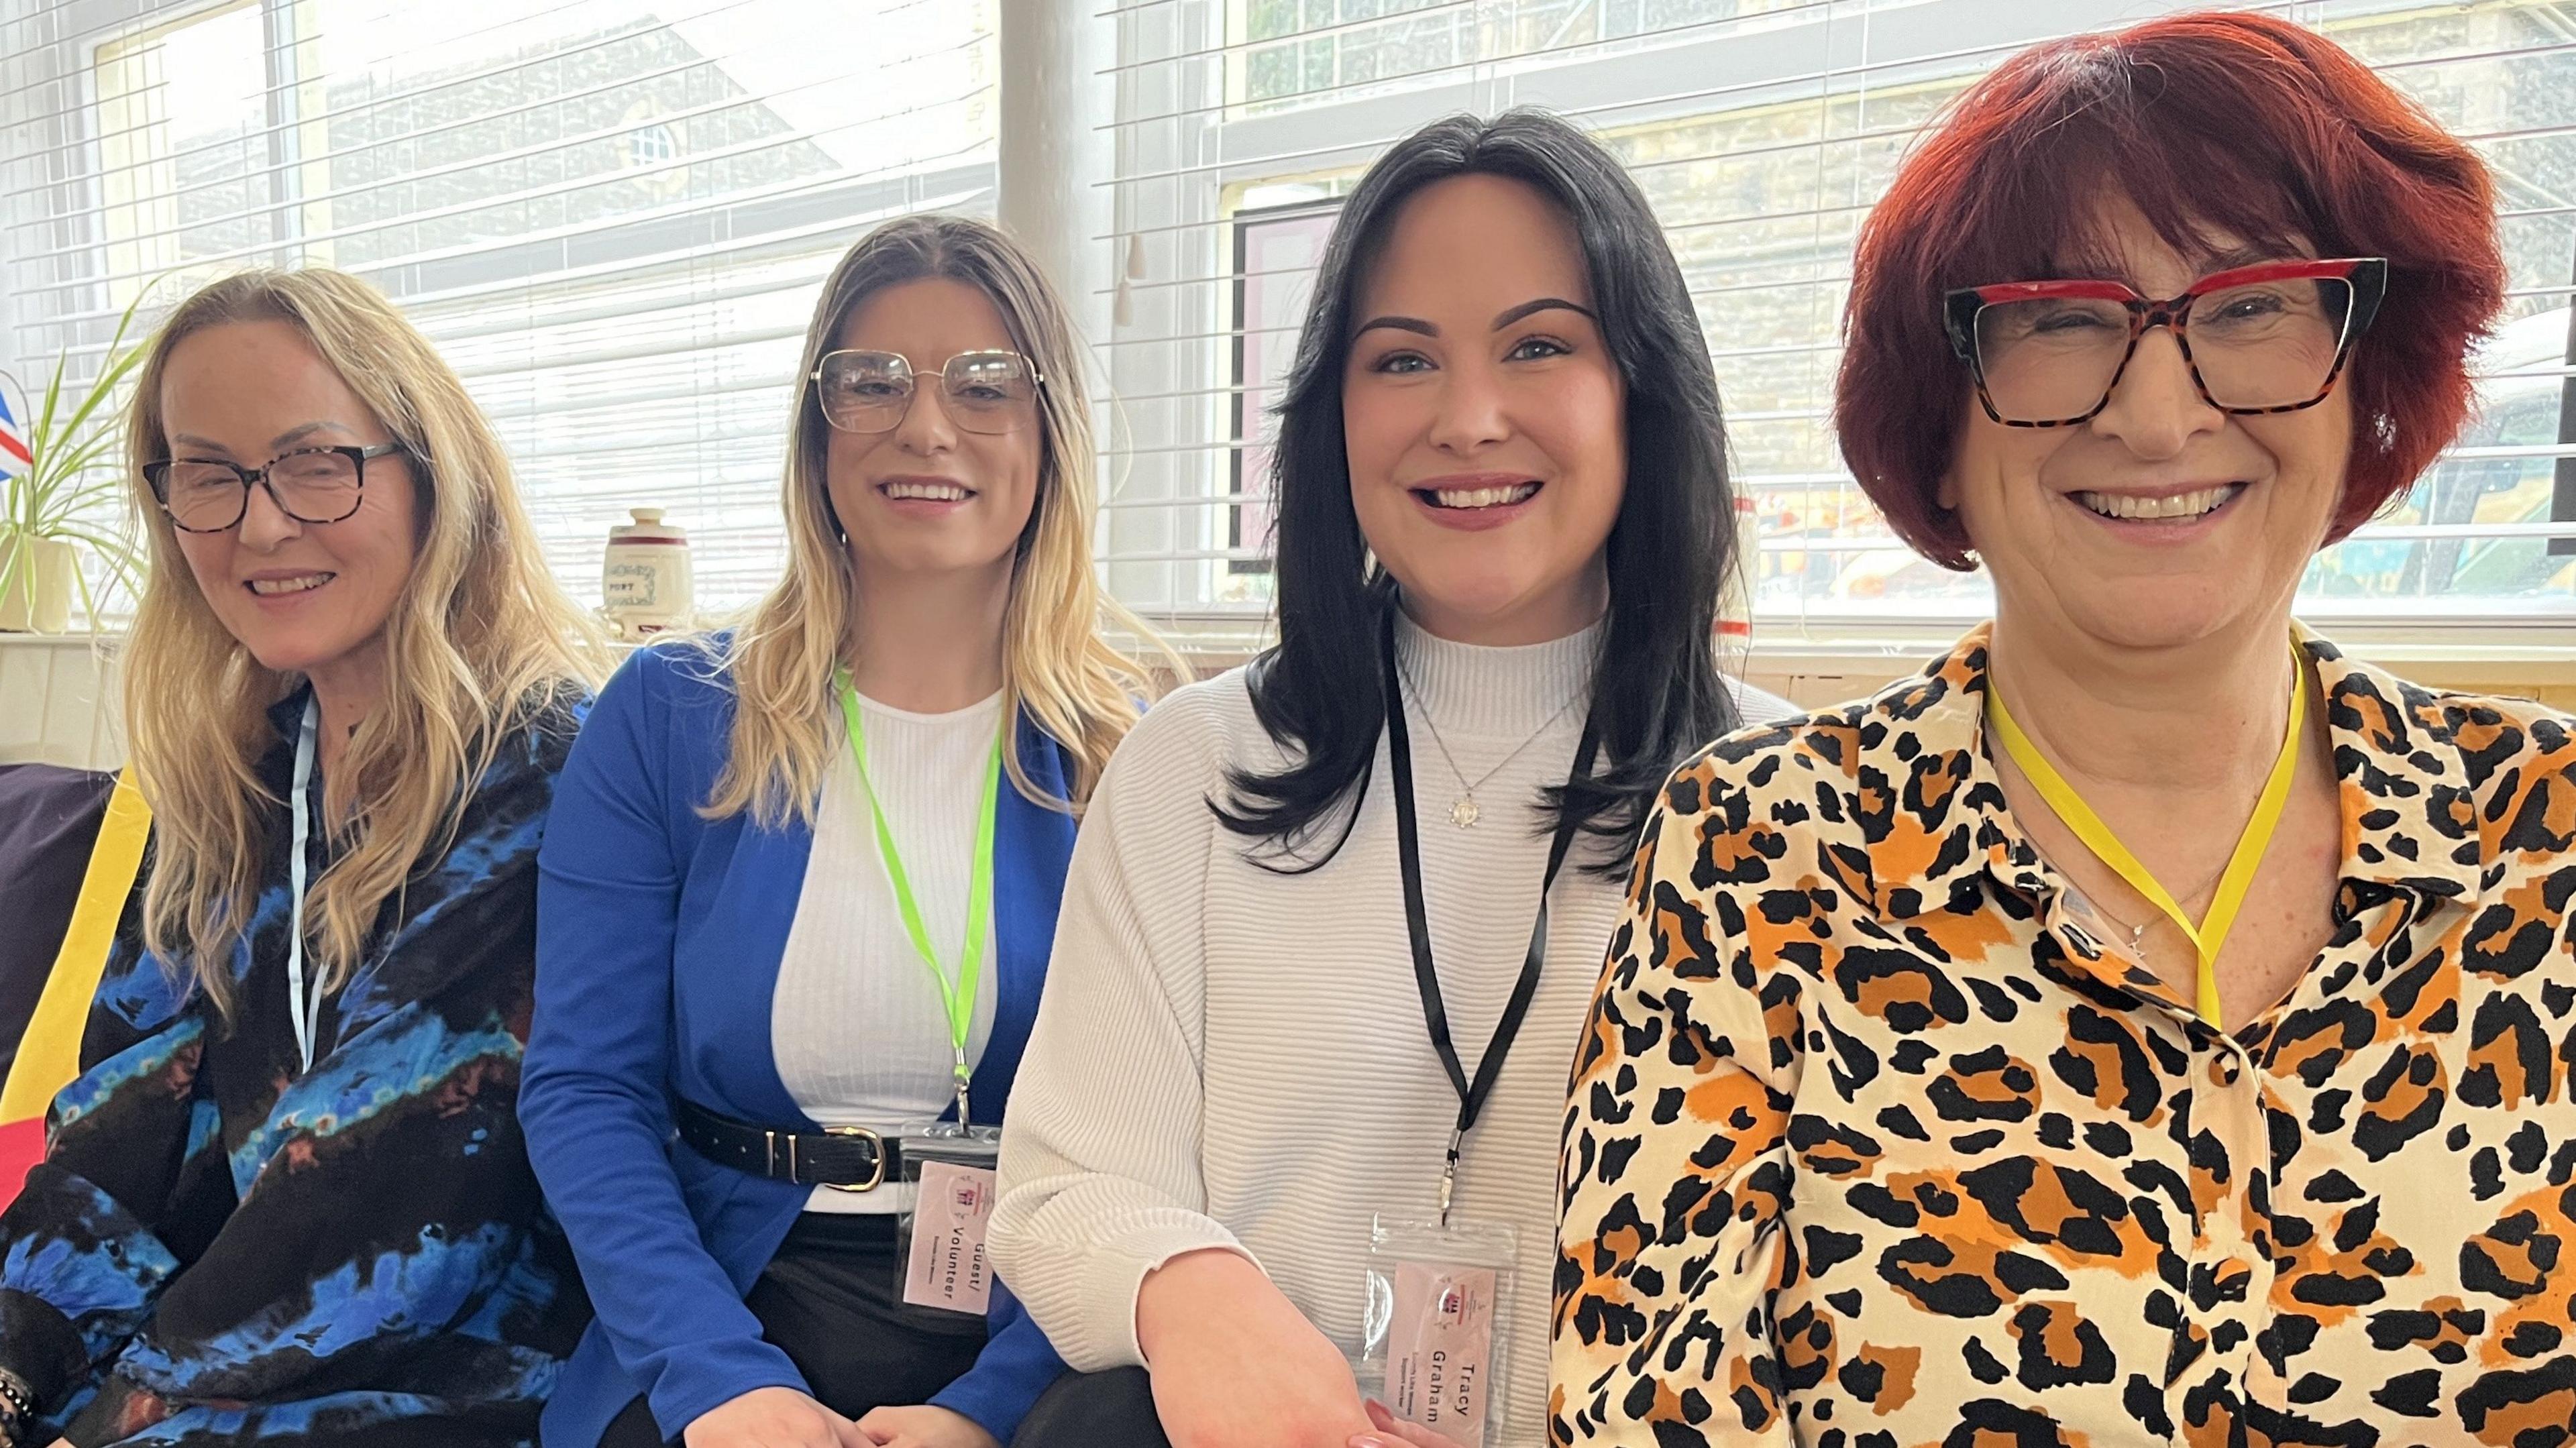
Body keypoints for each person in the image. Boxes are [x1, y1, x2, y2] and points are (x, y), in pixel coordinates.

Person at [1551, 12, 2576, 1445]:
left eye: (2252, 305)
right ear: (1942, 423)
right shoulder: (1759, 858)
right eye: (2058, 320)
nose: (2159, 417)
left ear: (2368, 374)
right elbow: (1645, 1415)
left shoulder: (2548, 832)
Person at [991, 109, 1793, 1448]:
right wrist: (1199, 1301)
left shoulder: (1782, 801)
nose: (1468, 420)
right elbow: (1067, 1183)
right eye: (1402, 358)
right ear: (1333, 412)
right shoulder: (1195, 763)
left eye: (1540, 346)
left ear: (1640, 391)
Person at [523, 215, 1166, 1448]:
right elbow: (585, 1092)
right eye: (872, 383)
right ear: (818, 433)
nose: (926, 426)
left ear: (1052, 433)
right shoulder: (666, 717)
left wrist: (986, 1409)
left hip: (1036, 1305)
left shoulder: (1142, 751)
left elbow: (1160, 1134)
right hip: (731, 1298)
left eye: (986, 384)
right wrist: (720, 1382)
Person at [0, 268, 602, 1447]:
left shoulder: (548, 770)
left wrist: (115, 1422)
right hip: (208, 1367)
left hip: (461, 1375)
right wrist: (19, 1375)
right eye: (209, 475)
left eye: (318, 462)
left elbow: (396, 1202)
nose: (261, 523)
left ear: (431, 472)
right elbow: (116, 1132)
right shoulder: (234, 786)